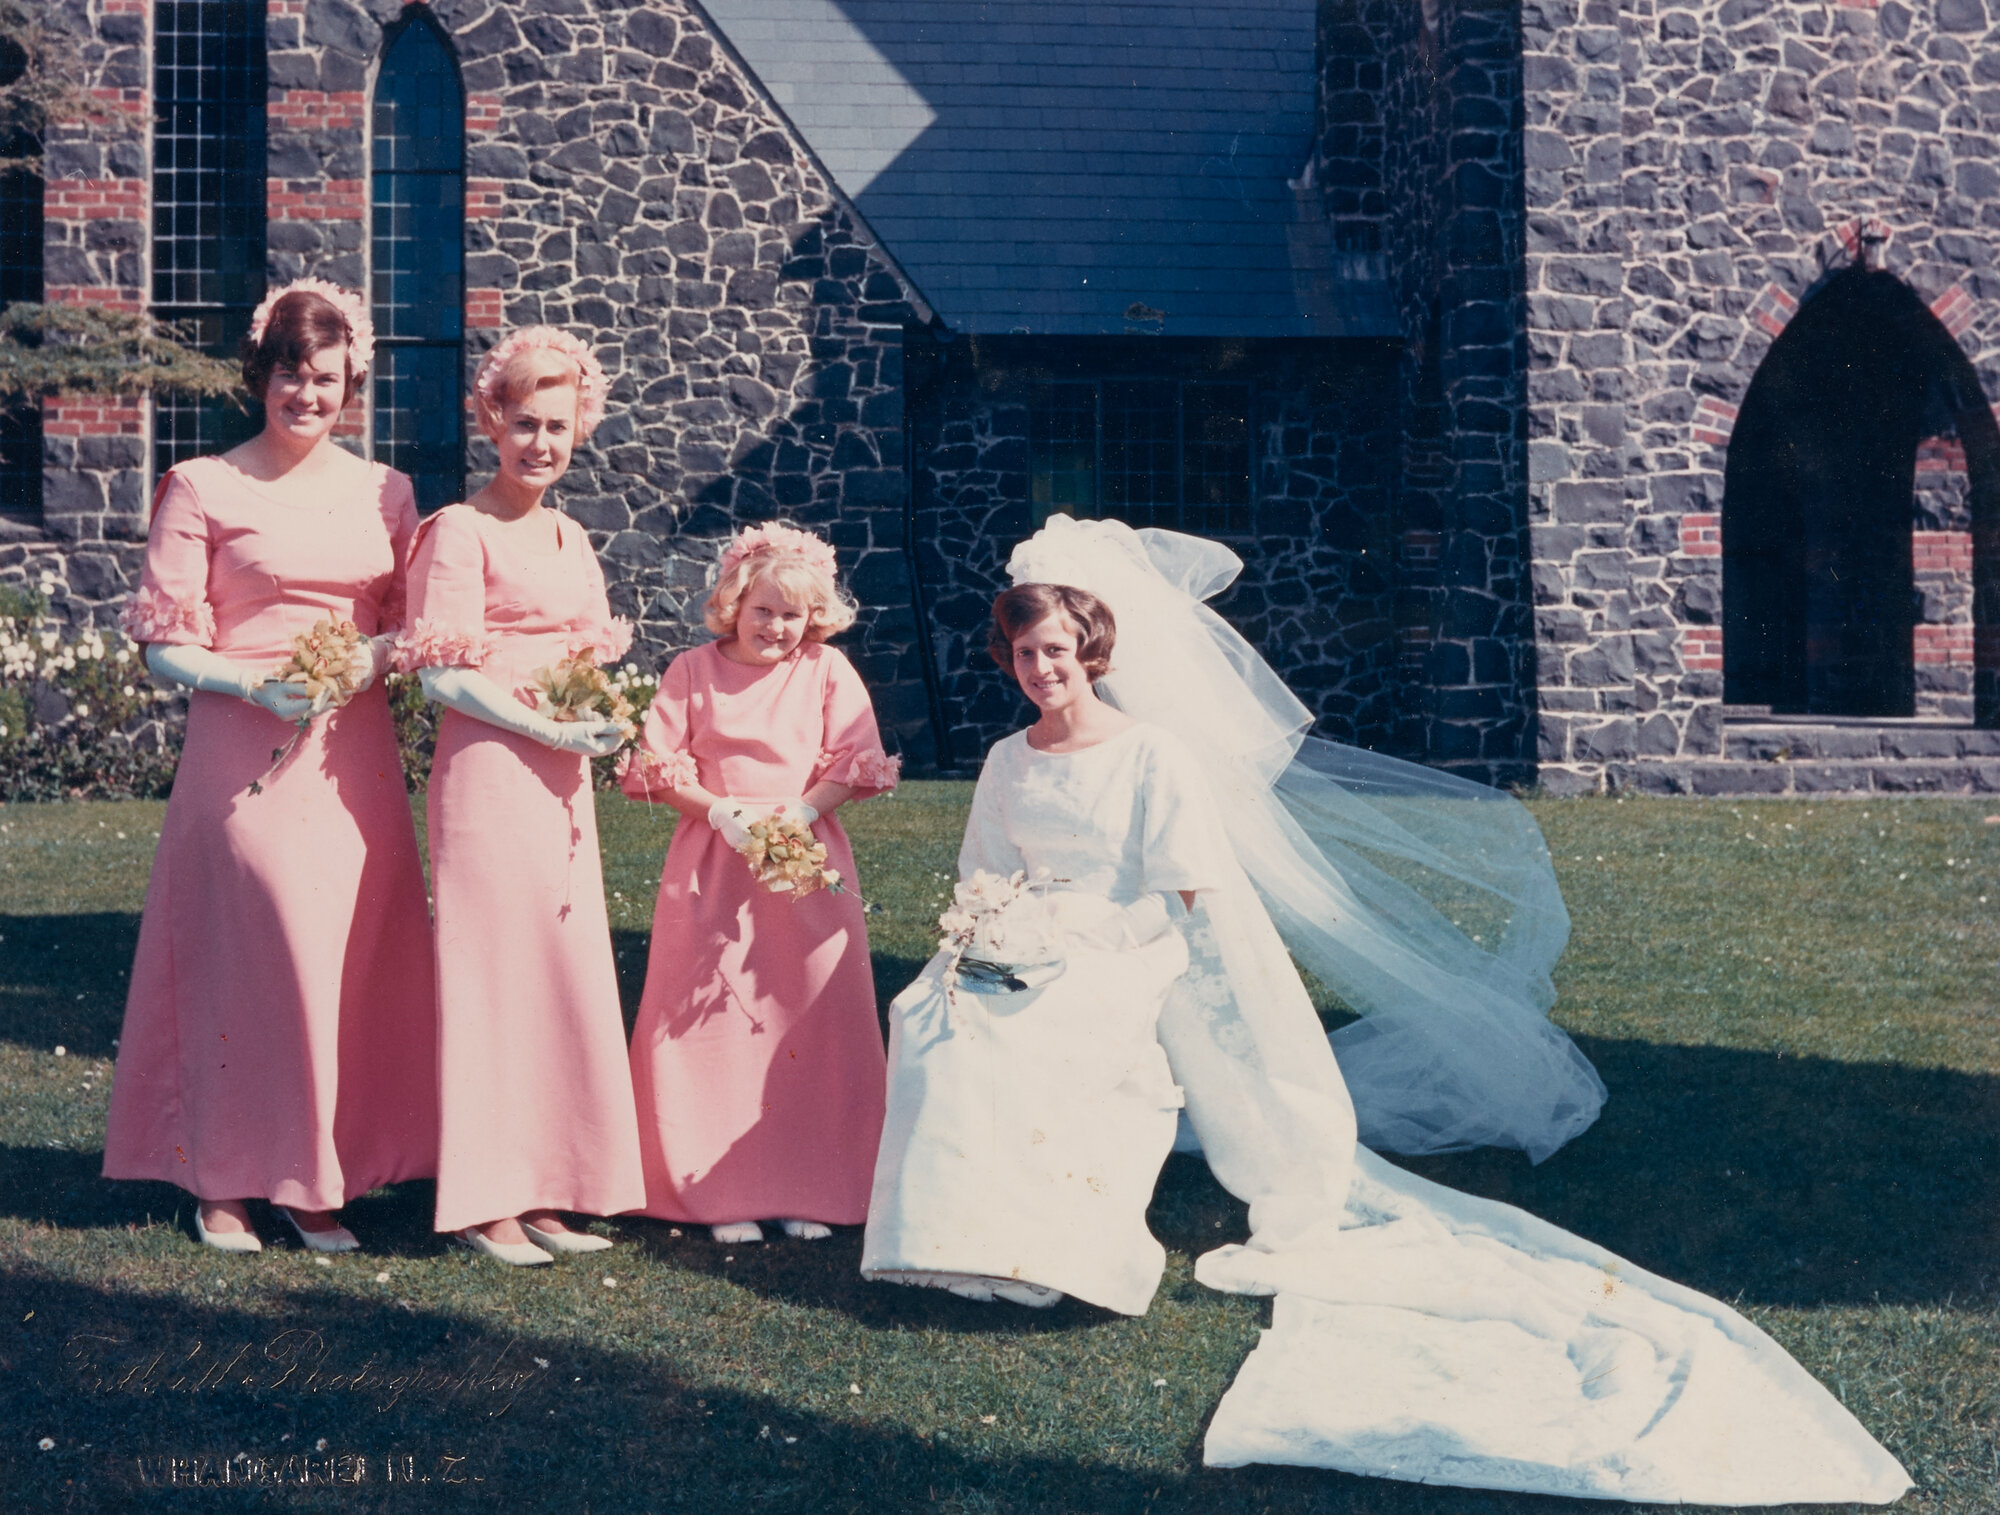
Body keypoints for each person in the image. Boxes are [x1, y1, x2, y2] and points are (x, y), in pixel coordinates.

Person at [864, 515, 1912, 1505]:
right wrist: (989, 930)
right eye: (1023, 659)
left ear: (1089, 649)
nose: (1040, 673)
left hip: (1128, 945)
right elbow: (982, 866)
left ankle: (1059, 1258)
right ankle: (967, 1237)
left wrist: (1084, 944)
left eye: (1055, 651)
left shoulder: (1148, 753)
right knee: (933, 1018)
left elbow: (1177, 892)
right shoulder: (1008, 759)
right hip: (1023, 936)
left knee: (1052, 1029)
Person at [103, 278, 438, 1254]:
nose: (306, 395)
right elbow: (163, 644)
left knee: (340, 961)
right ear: (260, 376)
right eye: (289, 375)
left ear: (351, 383)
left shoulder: (387, 492)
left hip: (351, 755)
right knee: (246, 955)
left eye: (325, 379)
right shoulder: (203, 485)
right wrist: (256, 687)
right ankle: (220, 1179)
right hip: (241, 741)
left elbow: (409, 627)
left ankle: (313, 1175)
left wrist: (356, 666)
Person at [399, 326, 644, 1266]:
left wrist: (598, 719)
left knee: (555, 969)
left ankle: (543, 1184)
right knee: (492, 975)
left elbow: (584, 654)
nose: (541, 443)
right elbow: (440, 678)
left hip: (560, 780)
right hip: (490, 775)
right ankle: (482, 1201)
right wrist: (546, 727)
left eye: (559, 425)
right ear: (492, 422)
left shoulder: (569, 534)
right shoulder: (458, 531)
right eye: (524, 424)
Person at [620, 523, 897, 1245]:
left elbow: (856, 757)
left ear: (816, 618)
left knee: (811, 1016)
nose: (778, 627)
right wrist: (719, 811)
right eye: (764, 609)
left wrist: (803, 811)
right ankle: (716, 1192)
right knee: (710, 1023)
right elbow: (653, 763)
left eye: (794, 614)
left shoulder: (827, 671)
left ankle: (813, 1182)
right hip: (714, 859)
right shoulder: (691, 669)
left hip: (805, 861)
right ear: (734, 603)